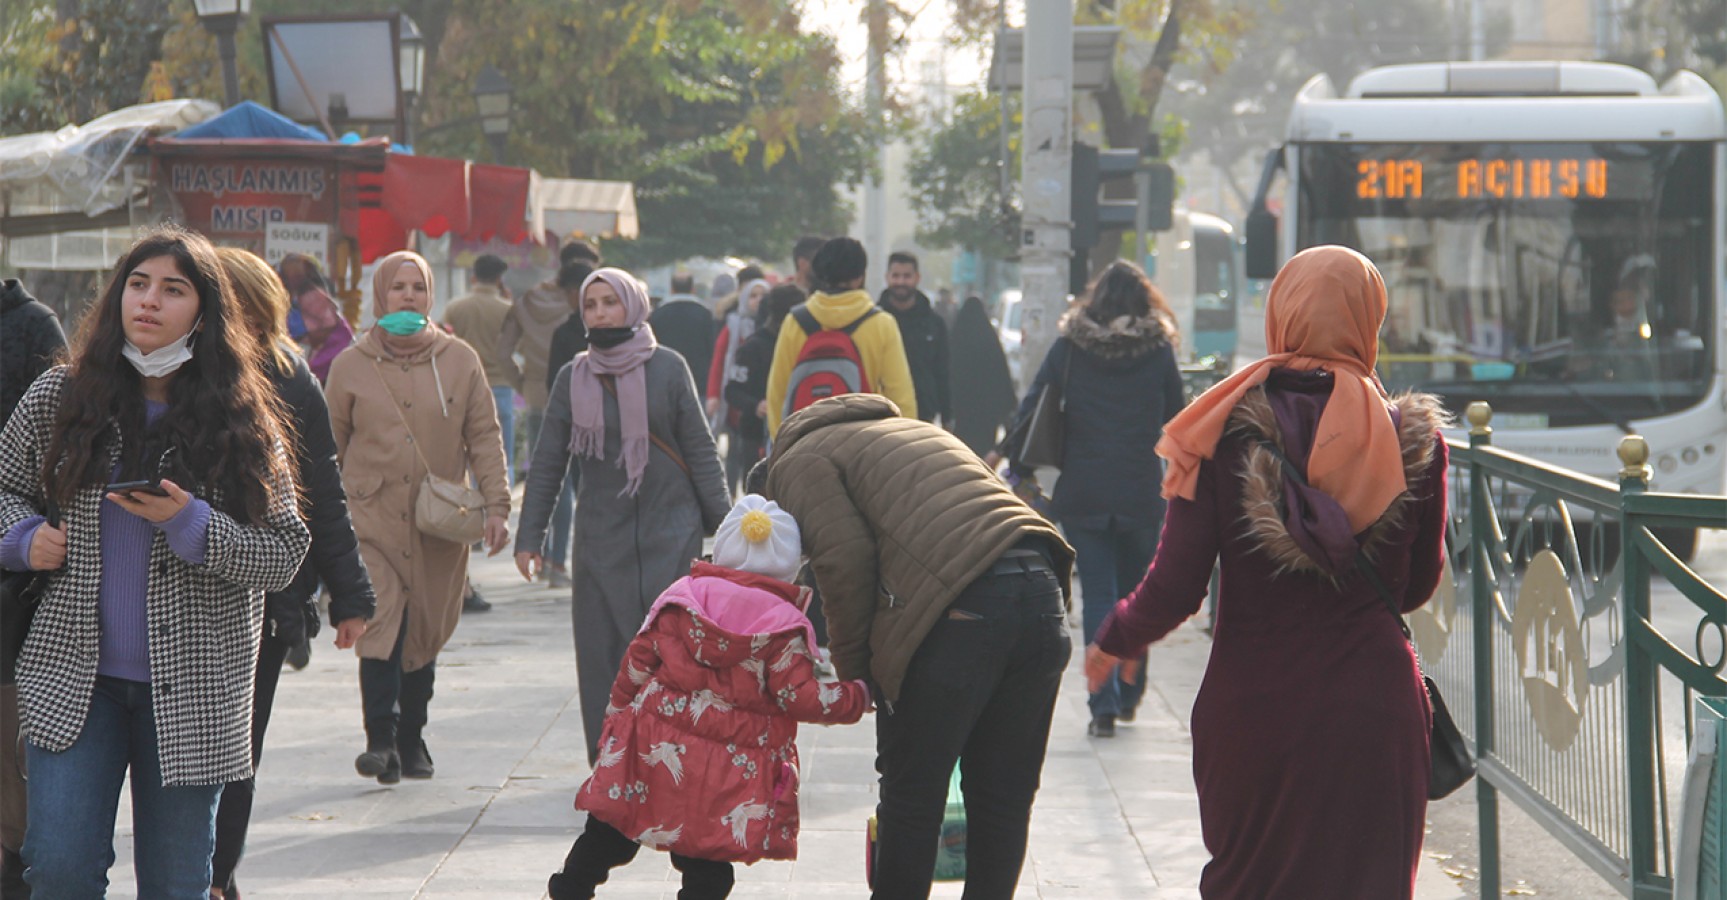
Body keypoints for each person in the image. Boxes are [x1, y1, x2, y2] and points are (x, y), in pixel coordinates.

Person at [1086, 245, 1450, 898]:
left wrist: (1115, 638)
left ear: (1280, 315)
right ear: (1369, 319)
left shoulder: (1224, 432)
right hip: (1372, 714)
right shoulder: (1414, 440)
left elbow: (1174, 587)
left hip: (1254, 714)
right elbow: (1419, 586)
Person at [0, 225, 310, 896]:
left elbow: (284, 552)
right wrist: (23, 538)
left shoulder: (242, 418)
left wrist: (193, 523)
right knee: (58, 868)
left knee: (175, 884)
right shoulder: (60, 397)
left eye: (173, 289)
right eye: (137, 285)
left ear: (205, 310)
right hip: (74, 682)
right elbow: (4, 488)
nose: (149, 301)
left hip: (195, 690)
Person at [752, 395, 1074, 899]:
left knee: (912, 800)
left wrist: (858, 674)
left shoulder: (795, 464)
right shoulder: (907, 431)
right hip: (1043, 593)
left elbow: (844, 560)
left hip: (964, 608)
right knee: (1003, 798)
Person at [545, 495, 871, 899]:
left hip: (651, 746)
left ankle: (569, 889)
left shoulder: (683, 599)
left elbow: (636, 663)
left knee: (611, 829)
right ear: (791, 564)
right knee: (707, 863)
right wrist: (857, 694)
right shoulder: (783, 629)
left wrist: (615, 715)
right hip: (722, 775)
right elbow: (800, 698)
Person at [210, 247, 377, 900]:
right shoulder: (158, 377)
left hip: (265, 594)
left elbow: (321, 492)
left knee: (234, 745)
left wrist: (350, 594)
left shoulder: (288, 376)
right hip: (160, 595)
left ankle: (217, 877)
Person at [514, 267, 730, 763]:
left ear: (633, 305)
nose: (600, 313)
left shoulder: (669, 368)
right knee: (603, 657)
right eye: (591, 305)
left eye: (610, 302)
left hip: (670, 529)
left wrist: (727, 527)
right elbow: (548, 461)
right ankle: (610, 759)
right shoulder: (574, 377)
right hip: (599, 537)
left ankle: (668, 757)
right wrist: (532, 537)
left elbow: (699, 451)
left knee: (670, 656)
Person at [323, 250, 512, 785]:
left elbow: (484, 437)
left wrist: (496, 505)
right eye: (398, 287)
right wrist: (317, 522)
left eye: (418, 288)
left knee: (424, 628)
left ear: (431, 297)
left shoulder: (459, 360)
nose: (408, 296)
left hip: (438, 523)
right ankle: (380, 739)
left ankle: (412, 737)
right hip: (370, 520)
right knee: (380, 621)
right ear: (381, 295)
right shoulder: (349, 365)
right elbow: (326, 448)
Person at [990, 261, 1185, 737]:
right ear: (1145, 302)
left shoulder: (1070, 347)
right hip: (1141, 489)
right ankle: (1128, 691)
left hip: (1083, 489)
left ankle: (1103, 702)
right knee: (1135, 595)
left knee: (1097, 590)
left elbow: (1033, 405)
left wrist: (1016, 461)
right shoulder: (1158, 351)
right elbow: (1179, 417)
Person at [0, 276, 66, 896]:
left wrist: (25, 539)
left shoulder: (30, 326)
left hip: (12, 580)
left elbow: (41, 466)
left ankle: (16, 863)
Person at [764, 238, 917, 437]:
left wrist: (782, 444)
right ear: (861, 277)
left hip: (806, 445)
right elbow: (900, 395)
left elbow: (777, 393)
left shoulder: (795, 321)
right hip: (863, 446)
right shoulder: (881, 323)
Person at [541, 260, 600, 590]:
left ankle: (561, 561)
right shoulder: (565, 331)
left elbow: (554, 385)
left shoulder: (565, 332)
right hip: (587, 430)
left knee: (578, 494)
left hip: (576, 427)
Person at [445, 254, 521, 483]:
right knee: (500, 456)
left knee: (466, 455)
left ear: (474, 277)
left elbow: (443, 339)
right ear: (499, 279)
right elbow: (521, 345)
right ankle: (496, 510)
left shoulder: (456, 307)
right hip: (500, 387)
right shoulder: (509, 310)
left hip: (464, 388)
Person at [723, 284, 805, 475]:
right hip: (756, 435)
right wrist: (756, 405)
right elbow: (732, 391)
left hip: (797, 433)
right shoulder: (753, 347)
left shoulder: (804, 344)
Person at [707, 277, 769, 494]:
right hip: (734, 397)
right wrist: (713, 395)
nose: (758, 301)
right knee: (733, 448)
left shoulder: (770, 330)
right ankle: (729, 493)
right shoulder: (732, 326)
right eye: (753, 296)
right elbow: (718, 361)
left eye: (762, 296)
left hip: (757, 403)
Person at [878, 251, 951, 427]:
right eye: (896, 276)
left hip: (923, 416)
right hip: (880, 416)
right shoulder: (874, 323)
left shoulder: (934, 324)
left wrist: (948, 417)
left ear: (917, 278)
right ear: (887, 277)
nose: (901, 282)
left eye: (907, 276)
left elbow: (943, 372)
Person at [946, 295, 1017, 456]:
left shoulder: (955, 341)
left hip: (960, 415)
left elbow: (946, 376)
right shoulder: (990, 342)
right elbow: (1002, 379)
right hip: (986, 417)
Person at [648, 273, 715, 382]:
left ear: (672, 289)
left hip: (665, 374)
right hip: (699, 376)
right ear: (693, 289)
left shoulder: (658, 313)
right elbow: (711, 346)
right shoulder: (705, 314)